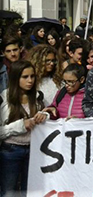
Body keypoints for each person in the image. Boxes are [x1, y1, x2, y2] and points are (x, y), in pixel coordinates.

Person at [0, 60, 46, 196]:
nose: (30, 80)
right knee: (9, 193)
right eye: (25, 77)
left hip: (34, 151)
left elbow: (49, 116)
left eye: (32, 76)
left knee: (30, 191)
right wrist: (20, 126)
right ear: (15, 77)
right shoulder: (3, 99)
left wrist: (45, 115)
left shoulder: (38, 97)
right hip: (10, 151)